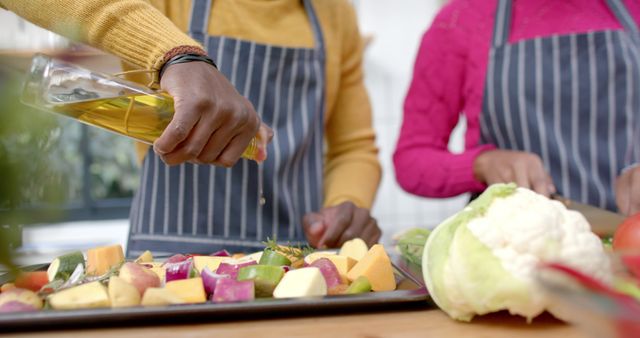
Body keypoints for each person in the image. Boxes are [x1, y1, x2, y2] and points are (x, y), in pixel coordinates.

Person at [0, 0, 381, 255]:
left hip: (296, 272)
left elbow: (354, 148)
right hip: (168, 273)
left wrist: (345, 208)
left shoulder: (334, 12)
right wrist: (175, 55)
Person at [394, 0, 640, 215]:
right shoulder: (460, 20)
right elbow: (411, 161)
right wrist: (482, 164)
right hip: (512, 246)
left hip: (629, 241)